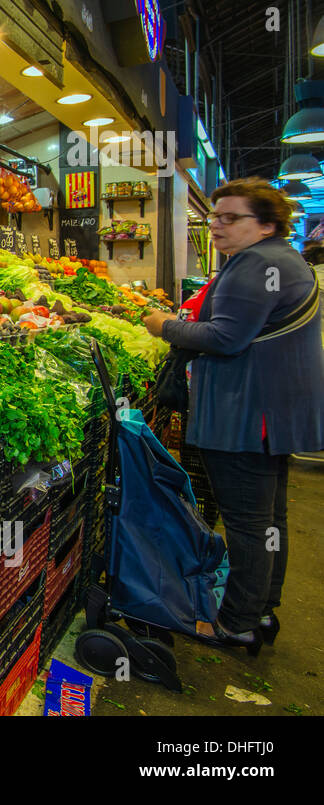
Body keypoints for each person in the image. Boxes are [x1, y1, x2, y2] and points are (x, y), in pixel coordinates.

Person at [143, 178, 324, 652]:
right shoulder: (285, 259)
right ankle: (261, 609)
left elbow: (226, 338)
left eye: (230, 218)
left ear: (265, 224)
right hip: (274, 413)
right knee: (267, 519)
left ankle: (236, 622)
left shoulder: (255, 264)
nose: (217, 226)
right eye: (213, 217)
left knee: (247, 522)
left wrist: (167, 326)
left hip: (246, 412)